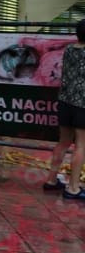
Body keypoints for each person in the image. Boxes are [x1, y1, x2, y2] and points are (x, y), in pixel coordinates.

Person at [44, 19, 85, 199]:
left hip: (65, 102)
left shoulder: (69, 49)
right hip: (82, 104)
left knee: (63, 142)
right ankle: (73, 188)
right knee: (81, 145)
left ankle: (51, 180)